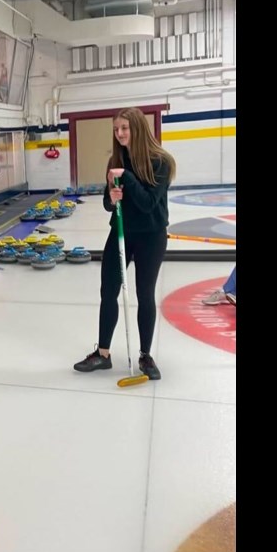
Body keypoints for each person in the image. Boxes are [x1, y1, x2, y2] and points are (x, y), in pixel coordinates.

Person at [73, 108, 176, 380]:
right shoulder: (116, 160)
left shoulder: (161, 162)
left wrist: (126, 179)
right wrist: (112, 195)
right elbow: (109, 204)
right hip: (120, 232)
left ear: (138, 129)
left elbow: (147, 204)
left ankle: (145, 355)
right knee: (108, 291)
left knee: (144, 293)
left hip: (151, 236)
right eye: (116, 129)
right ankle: (103, 354)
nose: (119, 134)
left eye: (124, 128)